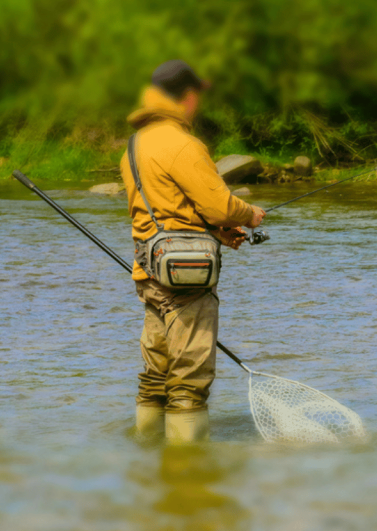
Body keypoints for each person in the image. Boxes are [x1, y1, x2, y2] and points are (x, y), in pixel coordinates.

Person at [121, 60, 266, 443]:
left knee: (155, 377)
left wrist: (217, 234)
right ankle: (188, 481)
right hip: (186, 281)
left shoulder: (136, 144)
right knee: (189, 382)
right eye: (196, 95)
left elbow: (166, 209)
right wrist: (248, 215)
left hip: (149, 273)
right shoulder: (182, 143)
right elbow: (219, 205)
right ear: (187, 97)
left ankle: (148, 459)